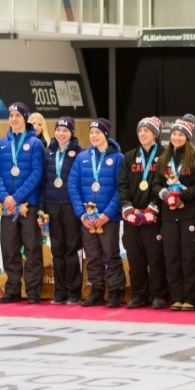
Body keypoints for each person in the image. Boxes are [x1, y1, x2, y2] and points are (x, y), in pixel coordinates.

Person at [0, 102, 45, 304]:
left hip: (28, 207)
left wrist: (17, 197)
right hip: (7, 207)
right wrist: (6, 197)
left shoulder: (35, 144)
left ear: (25, 118)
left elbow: (36, 173)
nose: (13, 119)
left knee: (32, 250)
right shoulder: (2, 144)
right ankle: (12, 289)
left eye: (17, 115)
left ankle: (33, 291)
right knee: (9, 249)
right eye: (11, 115)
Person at [68, 118, 124, 307]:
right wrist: (82, 214)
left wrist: (107, 214)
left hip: (109, 218)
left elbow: (120, 189)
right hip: (87, 219)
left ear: (106, 135)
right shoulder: (82, 157)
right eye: (91, 133)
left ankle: (115, 291)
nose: (94, 136)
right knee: (92, 256)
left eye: (98, 133)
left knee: (111, 255)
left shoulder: (118, 158)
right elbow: (72, 186)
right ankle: (97, 290)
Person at [155, 114, 195, 311]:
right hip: (168, 215)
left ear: (187, 136)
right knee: (172, 257)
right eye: (174, 134)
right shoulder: (164, 158)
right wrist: (165, 194)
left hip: (189, 214)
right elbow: (156, 184)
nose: (177, 137)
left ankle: (190, 298)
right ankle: (176, 297)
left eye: (181, 134)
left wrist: (182, 197)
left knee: (188, 257)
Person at [118, 116, 167, 309]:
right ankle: (139, 294)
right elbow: (122, 185)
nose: (143, 134)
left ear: (154, 134)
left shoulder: (164, 155)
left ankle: (159, 294)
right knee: (135, 258)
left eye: (146, 131)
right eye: (140, 131)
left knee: (156, 259)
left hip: (154, 217)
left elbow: (166, 184)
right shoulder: (129, 157)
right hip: (132, 217)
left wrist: (154, 207)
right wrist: (127, 206)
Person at [42, 116, 83, 304]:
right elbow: (43, 183)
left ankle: (74, 291)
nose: (61, 133)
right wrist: (42, 209)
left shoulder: (79, 153)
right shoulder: (48, 153)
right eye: (58, 130)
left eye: (65, 131)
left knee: (72, 249)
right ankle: (60, 291)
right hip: (52, 206)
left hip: (70, 207)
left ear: (71, 133)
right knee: (57, 250)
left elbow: (81, 183)